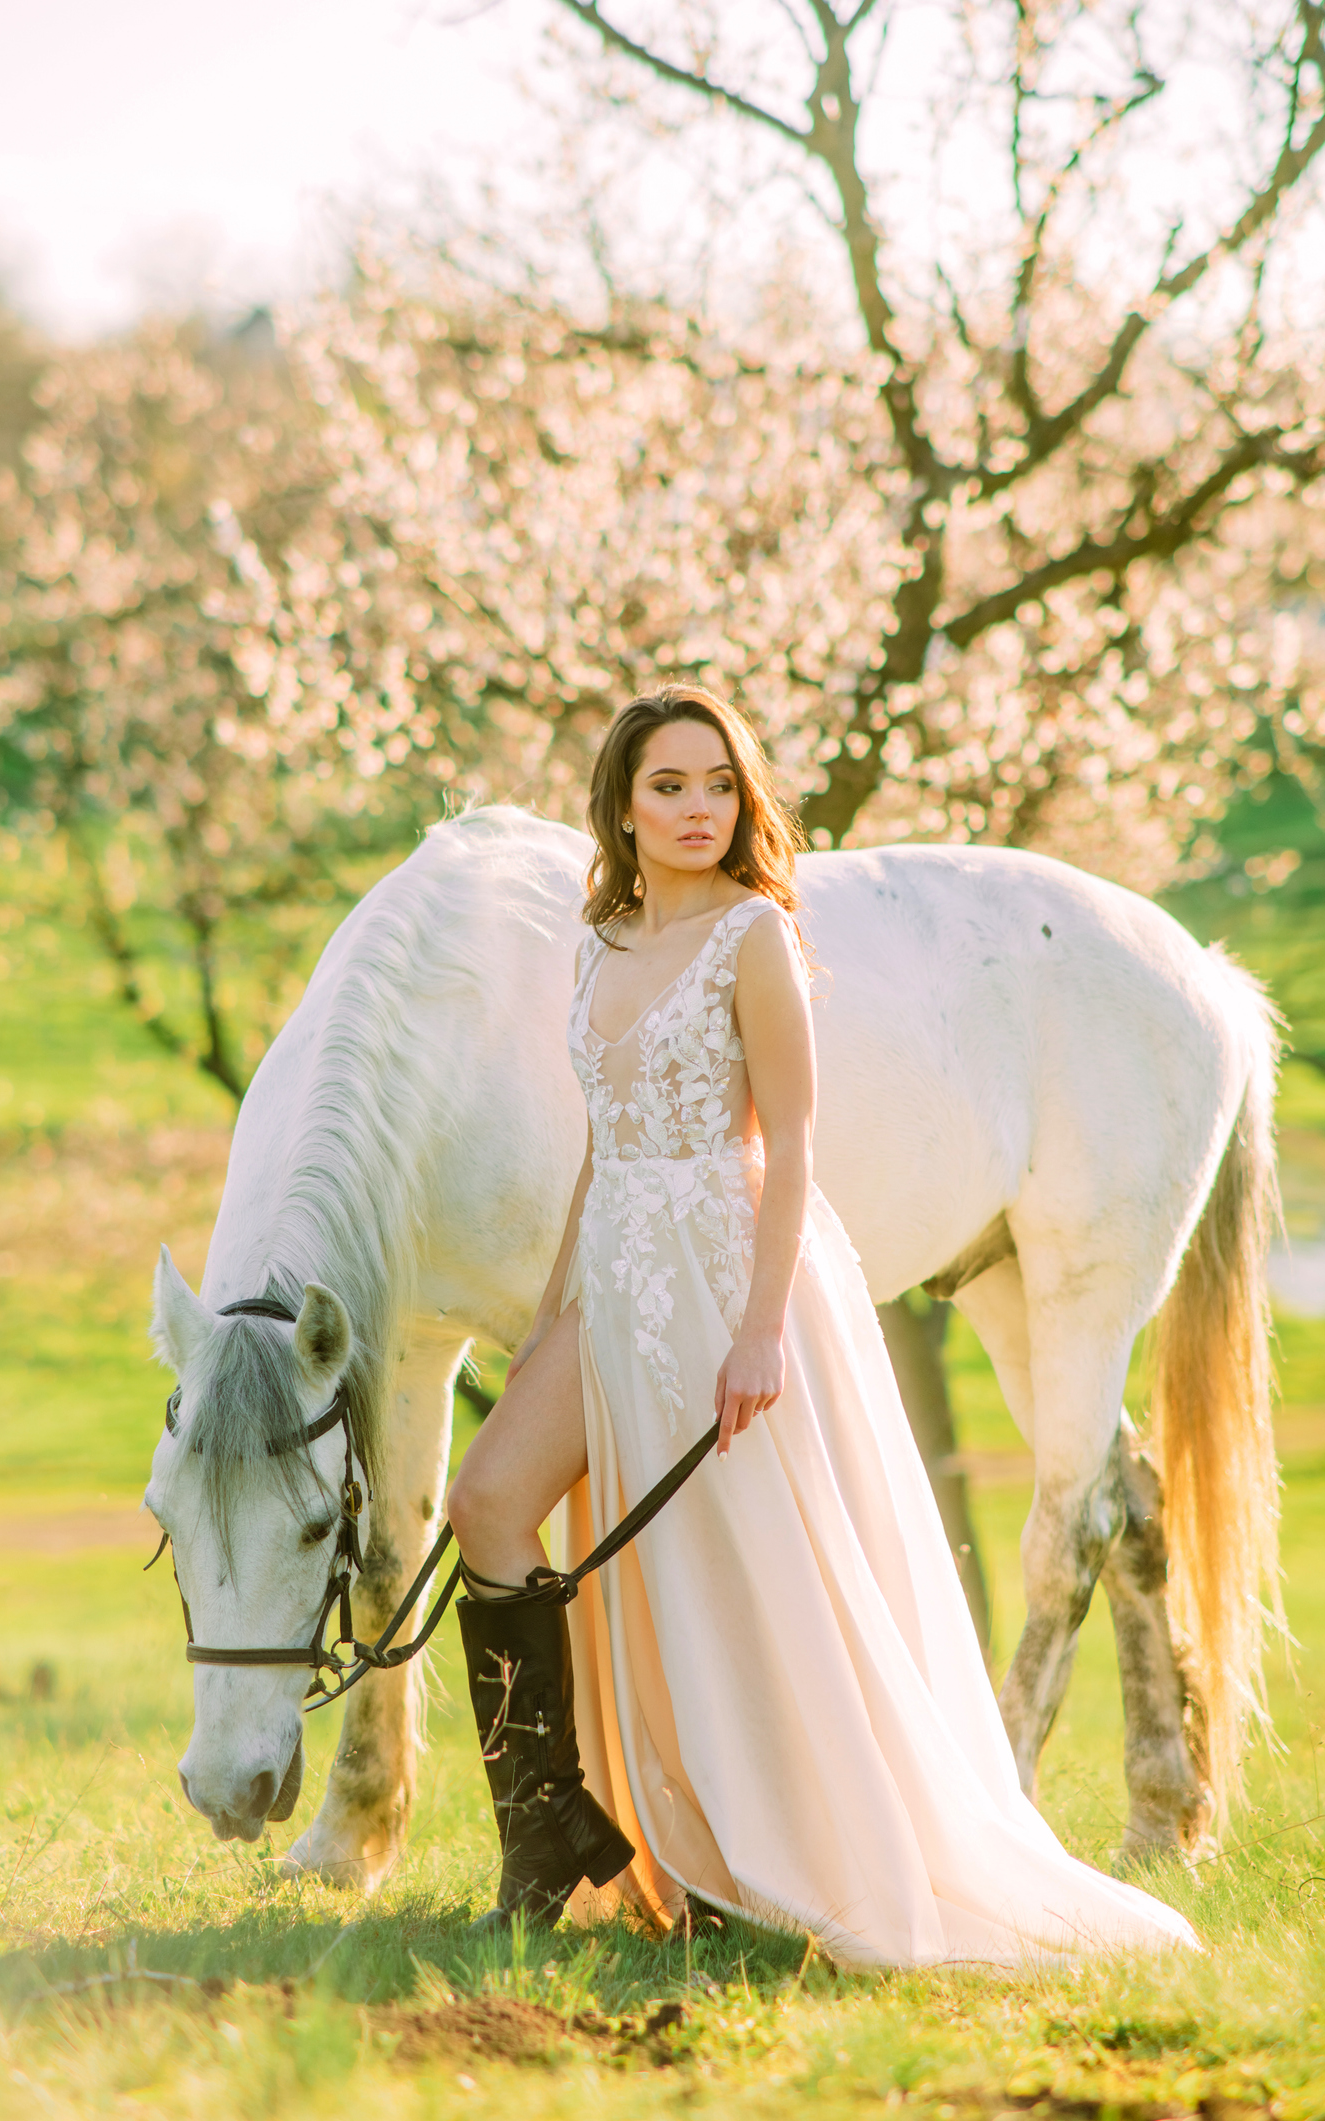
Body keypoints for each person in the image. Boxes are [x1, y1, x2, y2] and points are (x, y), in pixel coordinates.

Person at [447, 684, 1198, 1967]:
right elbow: (598, 1147)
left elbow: (789, 1142)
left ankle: (763, 1848)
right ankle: (550, 1823)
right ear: (622, 810)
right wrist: (551, 1310)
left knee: (736, 1565)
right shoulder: (600, 946)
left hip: (728, 1269)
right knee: (485, 1502)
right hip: (613, 1268)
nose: (696, 810)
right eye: (668, 788)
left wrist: (758, 1331)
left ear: (744, 803)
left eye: (718, 786)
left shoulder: (755, 936)